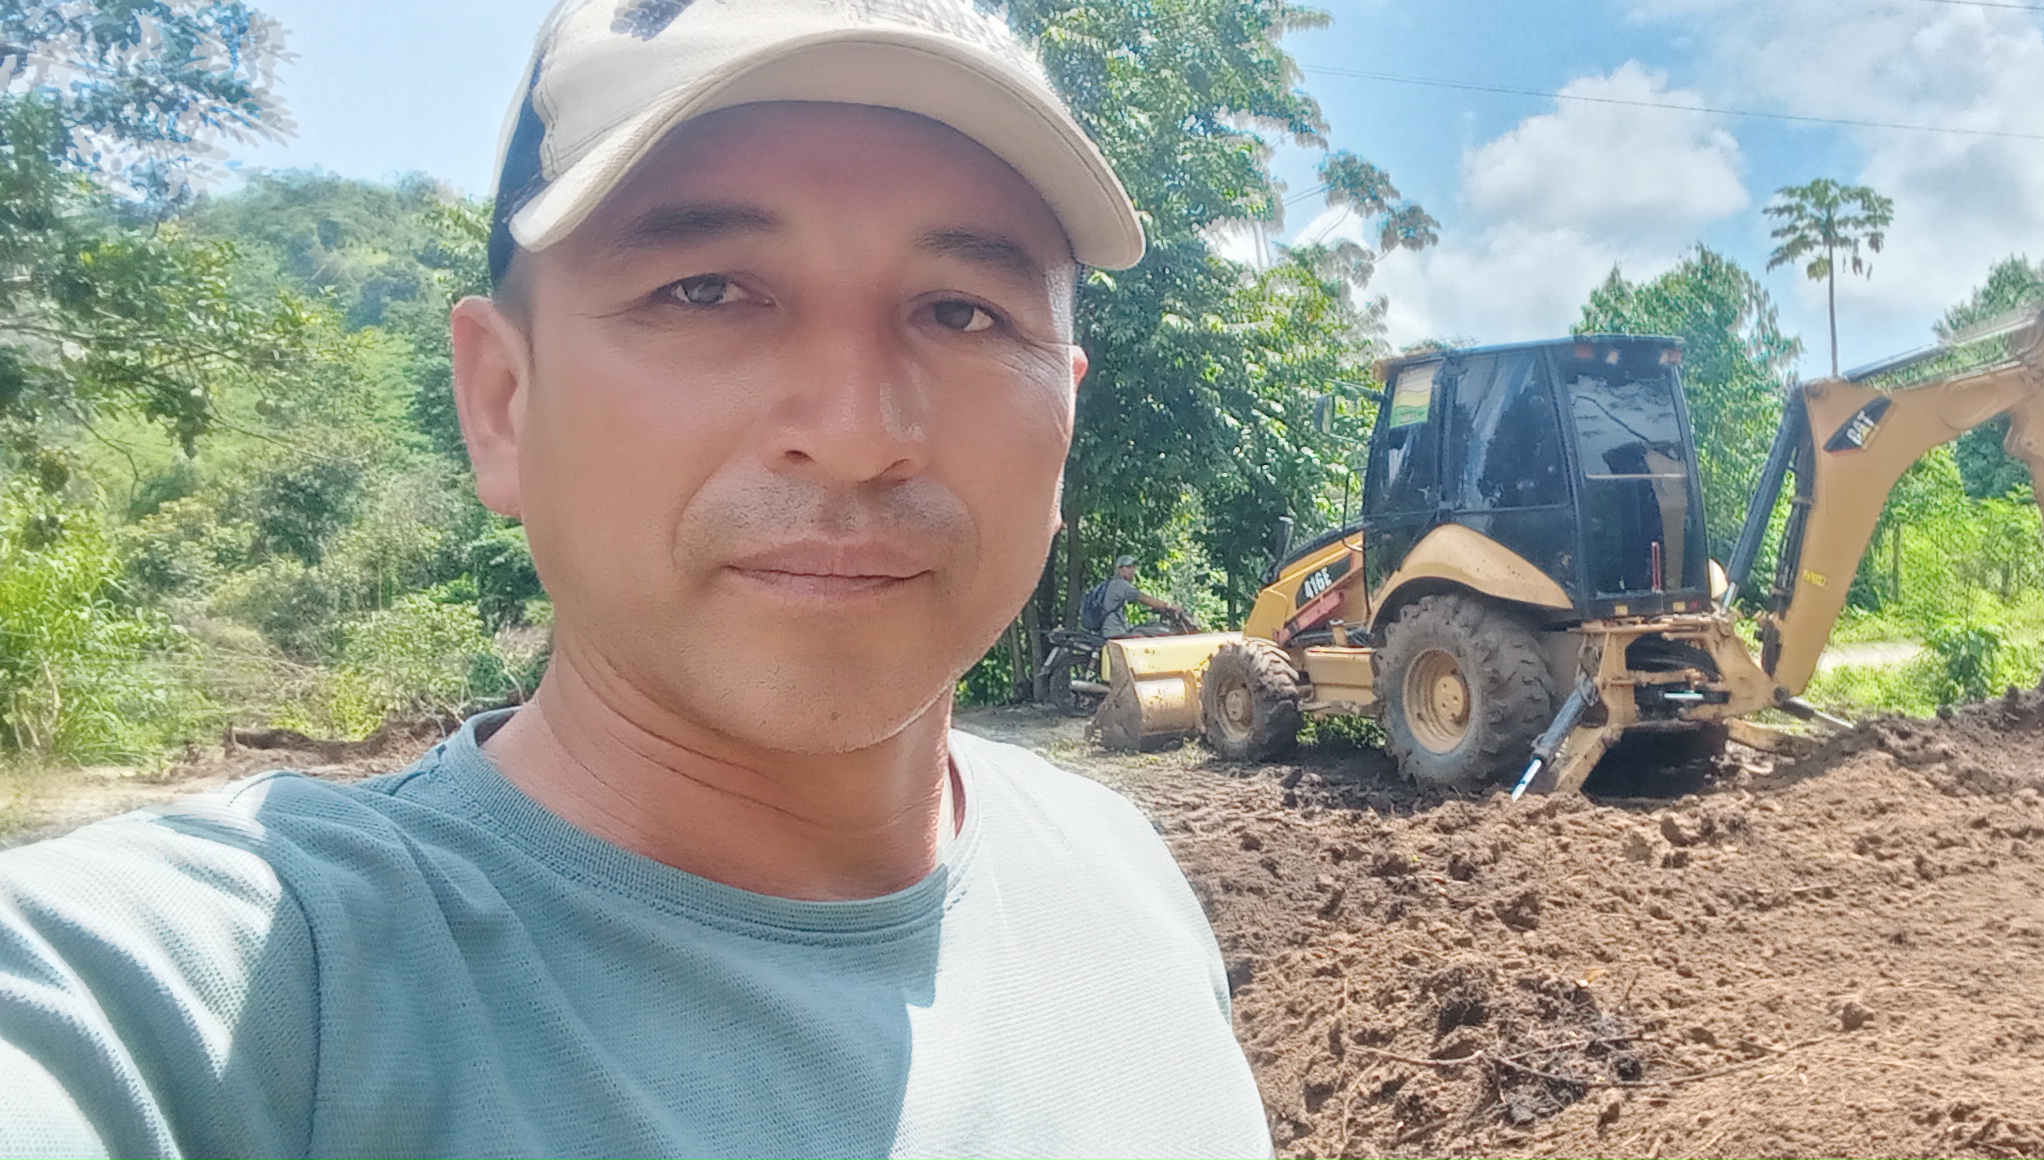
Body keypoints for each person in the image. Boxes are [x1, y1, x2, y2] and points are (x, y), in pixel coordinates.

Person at [0, 2, 1271, 1156]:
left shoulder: (1127, 880)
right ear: (503, 403)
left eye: (963, 311)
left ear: (1065, 416)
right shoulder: (212, 995)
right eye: (706, 290)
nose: (857, 430)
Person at [1082, 554, 1191, 638]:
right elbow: (1144, 598)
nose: (1132, 570)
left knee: (1149, 626)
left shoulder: (1109, 584)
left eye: (1133, 567)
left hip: (1107, 631)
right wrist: (1168, 606)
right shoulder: (1121, 585)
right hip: (1115, 632)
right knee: (1157, 634)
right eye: (1128, 567)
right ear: (1119, 569)